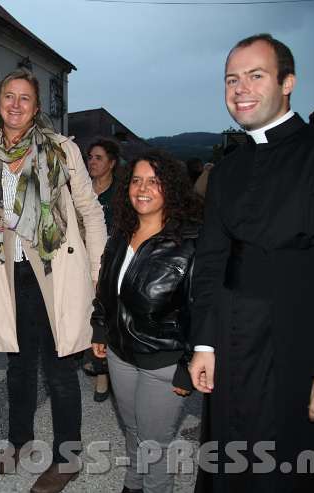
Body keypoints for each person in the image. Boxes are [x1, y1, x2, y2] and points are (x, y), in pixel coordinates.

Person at [188, 33, 314, 493]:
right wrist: (204, 345)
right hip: (234, 349)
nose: (240, 89)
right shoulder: (229, 168)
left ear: (288, 82)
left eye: (256, 75)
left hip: (304, 351)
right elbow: (212, 261)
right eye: (231, 79)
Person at [0, 68, 107, 493]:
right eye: (9, 96)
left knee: (60, 369)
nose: (16, 104)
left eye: (25, 98)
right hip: (7, 274)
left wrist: (98, 271)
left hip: (55, 271)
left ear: (37, 107)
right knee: (18, 368)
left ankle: (68, 458)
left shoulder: (62, 150)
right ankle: (18, 440)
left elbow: (91, 212)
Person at [91, 149, 201, 493]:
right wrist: (100, 327)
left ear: (171, 188)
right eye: (136, 180)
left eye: (154, 182)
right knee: (134, 431)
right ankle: (131, 484)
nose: (143, 188)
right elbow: (106, 288)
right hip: (121, 354)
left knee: (155, 444)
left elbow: (200, 309)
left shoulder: (190, 243)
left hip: (165, 362)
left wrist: (189, 363)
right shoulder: (121, 234)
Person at [83, 138, 122, 402]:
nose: (92, 162)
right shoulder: (81, 190)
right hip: (81, 262)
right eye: (90, 157)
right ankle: (92, 357)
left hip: (111, 263)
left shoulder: (120, 194)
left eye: (98, 158)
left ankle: (104, 374)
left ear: (112, 163)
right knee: (85, 314)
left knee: (106, 316)